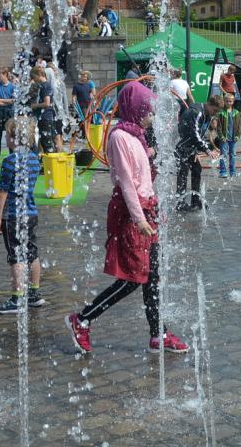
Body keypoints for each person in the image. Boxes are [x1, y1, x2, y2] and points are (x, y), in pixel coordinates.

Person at [66, 81, 188, 355]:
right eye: (148, 112)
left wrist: (152, 155)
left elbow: (141, 173)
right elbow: (126, 183)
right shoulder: (120, 137)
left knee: (153, 275)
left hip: (147, 209)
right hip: (132, 213)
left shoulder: (136, 136)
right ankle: (82, 319)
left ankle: (158, 334)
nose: (151, 117)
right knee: (132, 278)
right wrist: (139, 219)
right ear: (135, 109)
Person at [0, 117, 45, 314]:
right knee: (32, 253)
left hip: (13, 215)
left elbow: (2, 192)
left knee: (16, 257)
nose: (6, 139)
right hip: (31, 213)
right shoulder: (34, 159)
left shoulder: (9, 161)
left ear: (14, 138)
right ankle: (34, 294)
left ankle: (17, 299)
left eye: (7, 136)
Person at [176, 88, 217, 210]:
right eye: (214, 110)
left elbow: (201, 133)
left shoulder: (207, 115)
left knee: (197, 169)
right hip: (182, 147)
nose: (215, 113)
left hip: (191, 148)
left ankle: (196, 200)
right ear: (209, 104)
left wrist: (197, 151)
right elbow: (194, 134)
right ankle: (180, 203)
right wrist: (207, 150)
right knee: (183, 173)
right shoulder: (196, 112)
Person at [213, 91, 241, 179]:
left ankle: (233, 171)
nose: (229, 103)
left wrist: (237, 135)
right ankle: (223, 171)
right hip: (224, 138)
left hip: (233, 138)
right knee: (223, 155)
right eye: (227, 101)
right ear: (224, 101)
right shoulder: (221, 113)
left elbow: (239, 126)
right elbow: (219, 126)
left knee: (233, 155)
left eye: (230, 101)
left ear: (233, 102)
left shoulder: (236, 112)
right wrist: (221, 136)